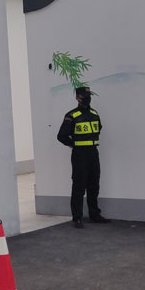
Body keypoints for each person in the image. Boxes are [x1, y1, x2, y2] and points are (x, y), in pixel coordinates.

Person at [57, 86, 110, 229]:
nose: (88, 98)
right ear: (78, 97)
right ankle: (77, 218)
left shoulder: (94, 113)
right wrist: (74, 144)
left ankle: (94, 215)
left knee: (94, 185)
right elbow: (61, 136)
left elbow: (99, 129)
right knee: (79, 186)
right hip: (79, 155)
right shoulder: (71, 115)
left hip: (93, 153)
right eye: (85, 96)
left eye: (89, 95)